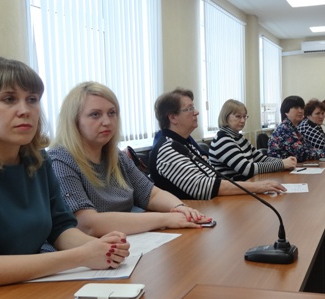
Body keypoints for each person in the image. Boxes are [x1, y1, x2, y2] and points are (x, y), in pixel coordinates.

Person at [0, 57, 129, 299]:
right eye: (9, 99)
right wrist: (81, 256)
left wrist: (103, 249)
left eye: (32, 99)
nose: (25, 110)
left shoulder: (36, 158)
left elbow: (60, 229)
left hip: (22, 290)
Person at [48, 82, 211, 237]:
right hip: (96, 248)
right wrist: (166, 219)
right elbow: (87, 224)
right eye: (95, 114)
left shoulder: (115, 155)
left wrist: (180, 208)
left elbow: (151, 194)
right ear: (74, 121)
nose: (107, 121)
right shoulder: (61, 160)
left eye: (112, 113)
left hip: (130, 239)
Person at [149, 88, 286, 199]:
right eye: (190, 109)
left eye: (194, 107)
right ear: (173, 117)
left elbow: (213, 176)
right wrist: (257, 187)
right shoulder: (168, 149)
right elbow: (204, 187)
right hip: (193, 212)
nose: (196, 112)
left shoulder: (184, 143)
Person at [209, 99, 296, 180]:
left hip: (248, 183)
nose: (243, 120)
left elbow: (262, 159)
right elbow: (247, 169)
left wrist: (285, 162)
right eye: (238, 116)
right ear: (225, 117)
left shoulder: (239, 138)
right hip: (233, 188)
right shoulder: (222, 140)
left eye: (244, 117)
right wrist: (282, 164)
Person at [267, 95, 325, 162]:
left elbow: (308, 148)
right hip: (281, 170)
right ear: (286, 112)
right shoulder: (284, 129)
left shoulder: (294, 128)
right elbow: (301, 154)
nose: (300, 111)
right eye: (296, 108)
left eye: (302, 108)